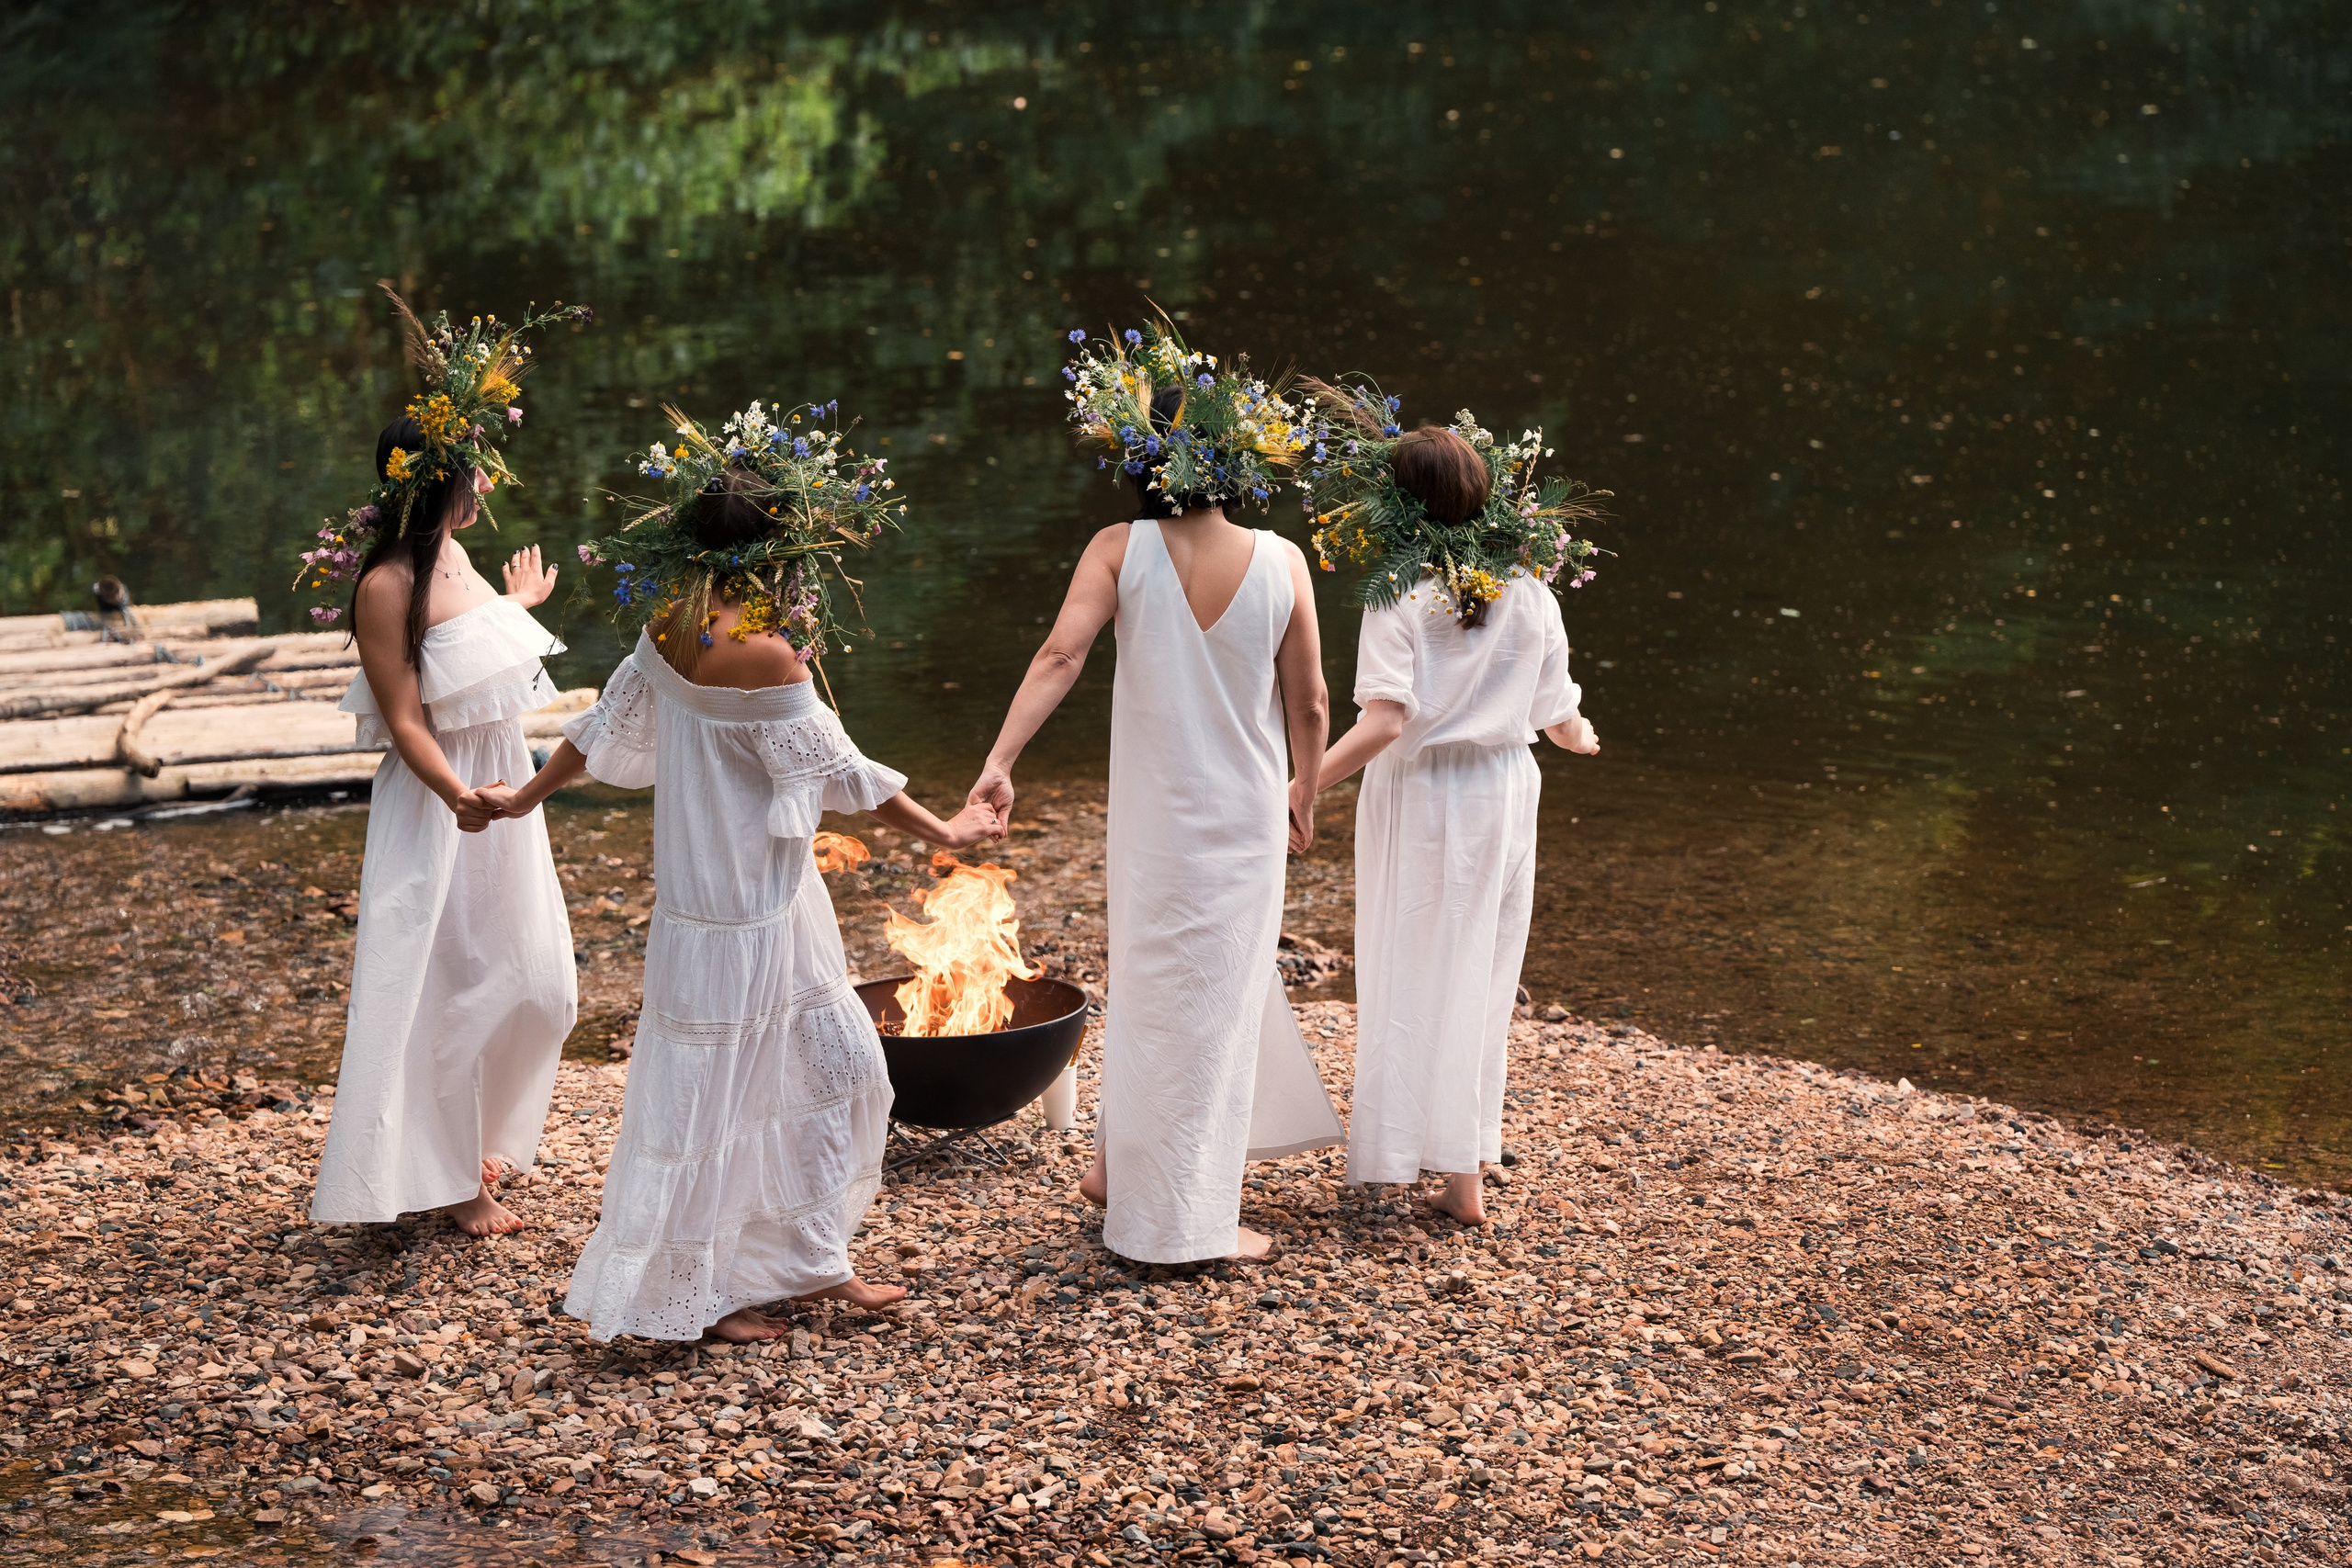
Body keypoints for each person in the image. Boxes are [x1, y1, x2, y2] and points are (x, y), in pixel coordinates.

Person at [488, 410, 995, 1343]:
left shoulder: (674, 621)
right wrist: (947, 829)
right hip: (737, 913)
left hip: (755, 905)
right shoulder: (764, 649)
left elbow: (599, 731)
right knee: (731, 1101)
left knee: (816, 1072)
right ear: (780, 547)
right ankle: (700, 1294)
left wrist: (525, 797)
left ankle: (804, 1262)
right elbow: (843, 772)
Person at [968, 324, 1341, 1265]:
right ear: (1238, 460)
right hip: (1243, 815)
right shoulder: (1283, 560)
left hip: (1152, 821)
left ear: (1139, 460)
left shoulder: (1116, 547)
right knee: (1214, 1000)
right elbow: (1309, 699)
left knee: (1151, 985)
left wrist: (1001, 759)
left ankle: (1114, 1166)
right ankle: (1180, 1224)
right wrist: (1305, 789)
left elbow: (1060, 656)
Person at [1308, 418, 1601, 1226]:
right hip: (1505, 789)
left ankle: (1411, 1151)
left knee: (1411, 963)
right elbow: (1558, 718)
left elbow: (1384, 722)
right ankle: (1463, 1173)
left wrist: (1300, 788)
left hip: (1424, 793)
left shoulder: (1399, 593)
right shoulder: (1533, 591)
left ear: (1401, 508)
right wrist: (1583, 737)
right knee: (1482, 970)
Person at [309, 417, 578, 1238]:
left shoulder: (454, 554)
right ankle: (455, 1178)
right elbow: (406, 719)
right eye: (475, 474)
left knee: (537, 979)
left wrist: (518, 605)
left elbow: (463, 651)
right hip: (438, 800)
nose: (488, 487)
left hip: (502, 789)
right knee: (444, 983)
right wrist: (458, 794)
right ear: (435, 485)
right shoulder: (385, 584)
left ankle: (470, 1137)